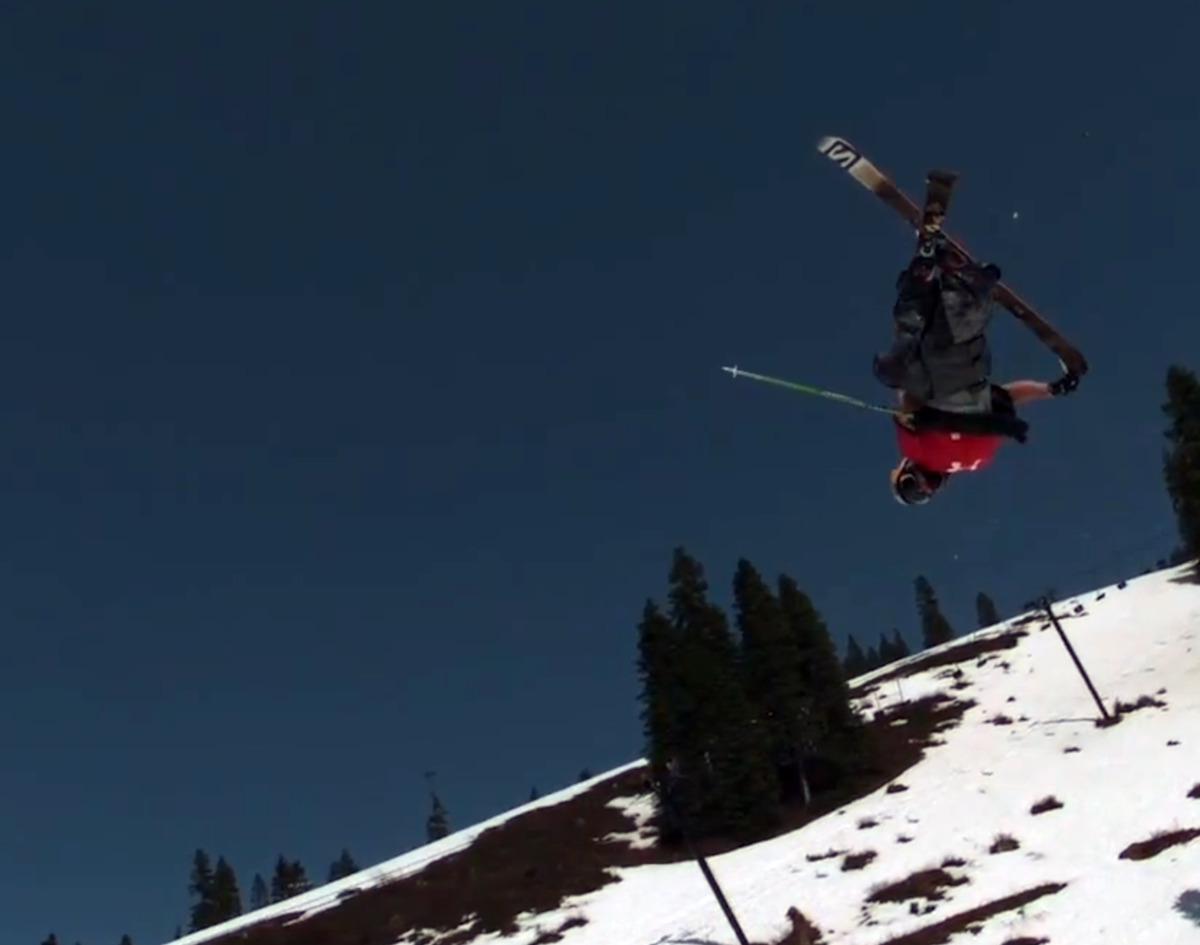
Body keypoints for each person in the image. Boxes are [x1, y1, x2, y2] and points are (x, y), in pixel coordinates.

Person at [871, 236, 1078, 506]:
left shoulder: (979, 459)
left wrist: (1050, 389)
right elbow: (906, 400)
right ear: (908, 472)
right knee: (913, 343)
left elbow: (1007, 397)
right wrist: (904, 401)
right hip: (940, 379)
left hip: (975, 369)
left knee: (962, 333)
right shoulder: (916, 451)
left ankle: (966, 287)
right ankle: (934, 282)